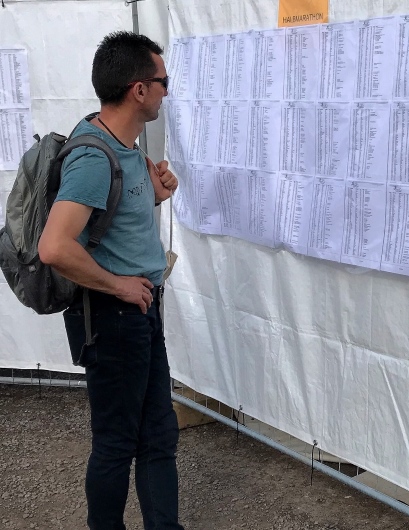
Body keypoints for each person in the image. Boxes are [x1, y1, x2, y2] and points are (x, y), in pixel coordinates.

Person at [38, 31, 182, 530]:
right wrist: (118, 285)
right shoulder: (94, 157)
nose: (167, 91)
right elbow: (54, 247)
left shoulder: (125, 145)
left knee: (158, 436)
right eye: (163, 81)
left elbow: (114, 217)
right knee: (118, 443)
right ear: (139, 90)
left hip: (141, 312)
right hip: (114, 317)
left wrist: (156, 192)